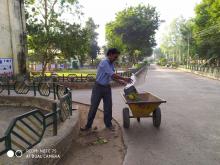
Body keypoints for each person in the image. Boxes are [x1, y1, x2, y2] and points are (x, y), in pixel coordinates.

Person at [80, 48, 131, 131]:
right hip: (98, 88)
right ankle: (88, 126)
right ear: (110, 54)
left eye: (117, 57)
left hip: (107, 87)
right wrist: (125, 79)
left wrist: (121, 82)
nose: (116, 59)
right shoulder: (104, 62)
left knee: (108, 106)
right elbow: (113, 75)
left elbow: (112, 77)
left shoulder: (111, 64)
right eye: (115, 57)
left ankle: (108, 125)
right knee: (94, 107)